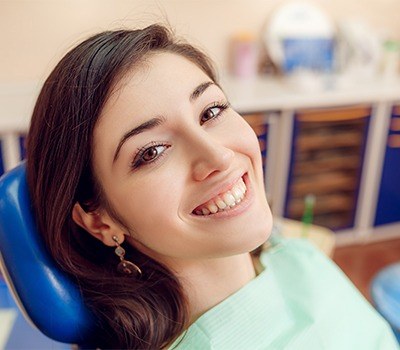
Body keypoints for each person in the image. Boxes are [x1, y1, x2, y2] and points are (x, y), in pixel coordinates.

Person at [26, 24, 398, 349]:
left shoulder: (289, 253)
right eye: (152, 151)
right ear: (100, 221)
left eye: (211, 112)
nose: (218, 157)